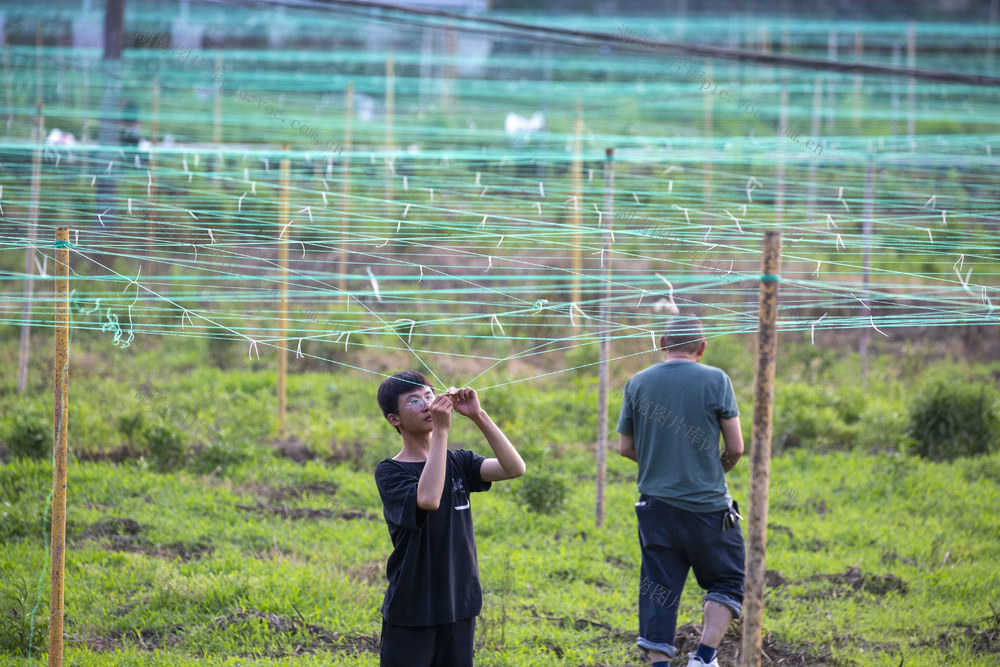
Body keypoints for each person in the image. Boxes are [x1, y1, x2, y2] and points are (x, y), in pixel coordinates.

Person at [374, 370, 526, 667]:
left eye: (429, 396)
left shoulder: (460, 461)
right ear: (394, 419)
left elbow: (513, 468)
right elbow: (428, 499)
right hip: (413, 608)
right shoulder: (390, 472)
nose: (427, 405)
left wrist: (478, 415)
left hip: (459, 603)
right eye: (414, 401)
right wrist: (442, 432)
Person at [616, 317, 745, 667]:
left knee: (659, 587)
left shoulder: (638, 382)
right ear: (702, 348)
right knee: (728, 579)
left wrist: (661, 464)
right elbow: (735, 447)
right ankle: (703, 659)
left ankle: (659, 663)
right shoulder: (716, 380)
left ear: (661, 342)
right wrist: (712, 468)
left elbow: (624, 446)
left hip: (654, 507)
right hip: (707, 507)